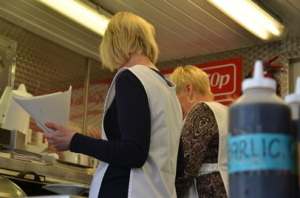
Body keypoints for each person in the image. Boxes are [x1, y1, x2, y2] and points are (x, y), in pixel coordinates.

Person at [43, 12, 183, 198]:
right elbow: (180, 164)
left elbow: (133, 153)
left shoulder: (131, 77)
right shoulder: (167, 89)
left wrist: (74, 141)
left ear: (115, 42)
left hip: (128, 191)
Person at [169, 65, 229, 198]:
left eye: (176, 97)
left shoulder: (201, 111)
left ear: (189, 89)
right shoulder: (227, 111)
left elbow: (186, 166)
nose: (176, 105)